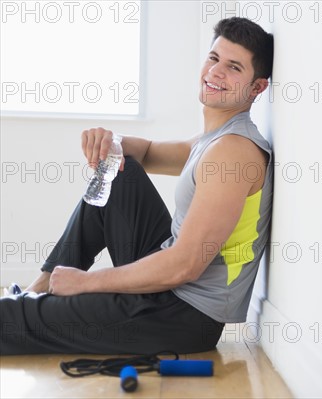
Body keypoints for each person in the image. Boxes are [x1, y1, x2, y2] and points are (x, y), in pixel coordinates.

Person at [0, 17, 274, 355]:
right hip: (170, 296)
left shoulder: (232, 153)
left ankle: (38, 299)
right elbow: (144, 152)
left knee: (9, 320)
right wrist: (108, 140)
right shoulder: (213, 141)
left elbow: (185, 264)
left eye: (234, 67)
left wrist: (87, 283)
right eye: (214, 58)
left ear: (257, 88)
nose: (216, 72)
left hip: (181, 315)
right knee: (120, 172)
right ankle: (41, 288)